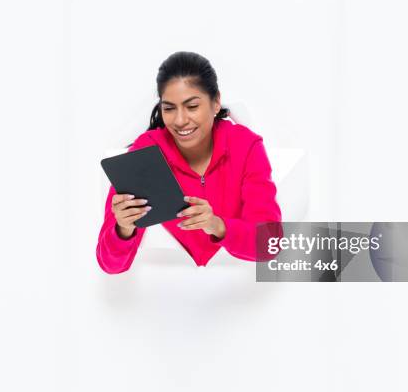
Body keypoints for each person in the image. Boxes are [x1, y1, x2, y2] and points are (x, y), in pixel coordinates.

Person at [96, 51, 282, 274]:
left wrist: (217, 225)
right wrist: (123, 228)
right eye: (169, 108)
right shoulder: (146, 152)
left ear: (215, 103)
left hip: (239, 291)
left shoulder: (246, 146)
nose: (180, 120)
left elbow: (271, 243)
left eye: (192, 106)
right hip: (165, 290)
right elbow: (110, 265)